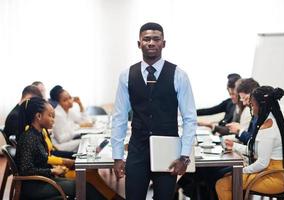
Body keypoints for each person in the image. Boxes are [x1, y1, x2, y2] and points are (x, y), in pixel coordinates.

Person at [111, 22, 197, 200]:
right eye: (146, 39)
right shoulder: (126, 75)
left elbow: (190, 118)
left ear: (163, 43)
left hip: (168, 151)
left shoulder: (179, 75)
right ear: (139, 43)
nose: (151, 42)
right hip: (137, 150)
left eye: (156, 39)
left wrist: (184, 156)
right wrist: (117, 156)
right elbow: (119, 117)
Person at [15, 97, 103, 200]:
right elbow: (26, 170)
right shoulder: (29, 138)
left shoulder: (38, 134)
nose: (53, 120)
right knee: (82, 188)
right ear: (38, 116)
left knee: (84, 185)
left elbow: (43, 159)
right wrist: (53, 171)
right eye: (50, 116)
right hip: (35, 187)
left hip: (44, 180)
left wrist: (55, 169)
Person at [216, 86, 284, 200]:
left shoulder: (268, 128)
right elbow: (258, 151)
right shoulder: (272, 121)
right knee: (226, 178)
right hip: (271, 172)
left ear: (261, 106)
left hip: (273, 177)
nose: (252, 108)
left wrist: (241, 171)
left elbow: (262, 163)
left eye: (253, 105)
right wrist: (234, 146)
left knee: (222, 185)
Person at [50, 85, 92, 152]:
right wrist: (78, 127)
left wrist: (80, 104)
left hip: (70, 141)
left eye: (70, 97)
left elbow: (86, 121)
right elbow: (61, 139)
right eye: (65, 100)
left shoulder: (69, 110)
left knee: (88, 141)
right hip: (60, 147)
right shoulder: (58, 115)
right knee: (86, 142)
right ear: (58, 103)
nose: (69, 101)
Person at [226, 78, 260, 144]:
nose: (244, 103)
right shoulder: (254, 112)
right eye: (242, 99)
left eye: (245, 98)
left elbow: (254, 142)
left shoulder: (262, 114)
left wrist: (239, 131)